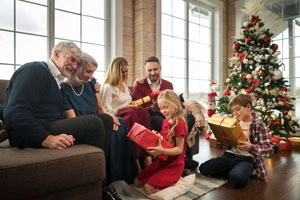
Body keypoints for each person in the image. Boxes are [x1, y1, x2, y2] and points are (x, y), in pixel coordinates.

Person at [4, 41, 109, 153]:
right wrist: (46, 138)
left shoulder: (56, 80)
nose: (74, 66)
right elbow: (15, 113)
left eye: (77, 63)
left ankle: (101, 167)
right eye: (72, 59)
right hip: (29, 132)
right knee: (93, 123)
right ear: (57, 53)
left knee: (106, 119)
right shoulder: (35, 69)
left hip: (49, 124)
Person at [60, 52, 137, 184]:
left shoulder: (92, 83)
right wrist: (107, 119)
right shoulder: (64, 88)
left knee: (121, 123)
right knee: (110, 127)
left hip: (98, 118)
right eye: (88, 72)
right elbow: (73, 120)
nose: (91, 76)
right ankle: (111, 179)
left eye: (93, 72)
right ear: (77, 68)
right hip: (84, 124)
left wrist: (111, 115)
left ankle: (125, 178)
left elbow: (102, 109)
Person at [132, 56, 197, 169]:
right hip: (150, 117)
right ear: (145, 70)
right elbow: (136, 109)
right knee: (161, 122)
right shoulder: (139, 85)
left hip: (169, 115)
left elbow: (172, 102)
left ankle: (178, 155)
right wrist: (151, 108)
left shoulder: (168, 85)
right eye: (149, 70)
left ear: (160, 68)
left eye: (155, 69)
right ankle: (168, 156)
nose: (152, 73)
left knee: (189, 118)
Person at [199, 94, 274, 188]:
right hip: (230, 155)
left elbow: (269, 149)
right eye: (234, 110)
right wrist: (223, 138)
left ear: (248, 107)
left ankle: (242, 171)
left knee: (237, 179)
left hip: (247, 158)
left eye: (237, 109)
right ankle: (234, 170)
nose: (235, 113)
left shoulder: (259, 125)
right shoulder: (233, 123)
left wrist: (250, 147)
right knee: (204, 168)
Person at [101, 57, 153, 171]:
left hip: (129, 112)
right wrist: (122, 108)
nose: (125, 75)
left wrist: (133, 104)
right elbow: (106, 110)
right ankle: (136, 160)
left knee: (143, 112)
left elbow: (130, 102)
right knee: (133, 116)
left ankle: (147, 156)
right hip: (118, 116)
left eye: (126, 71)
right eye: (122, 72)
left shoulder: (124, 85)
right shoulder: (108, 87)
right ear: (115, 72)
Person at [134, 89, 187, 194]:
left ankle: (173, 184)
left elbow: (179, 150)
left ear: (176, 104)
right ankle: (165, 182)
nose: (163, 111)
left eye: (166, 107)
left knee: (147, 189)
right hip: (161, 162)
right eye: (161, 108)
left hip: (174, 165)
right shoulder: (165, 122)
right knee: (136, 182)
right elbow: (162, 142)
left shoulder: (179, 123)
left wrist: (161, 150)